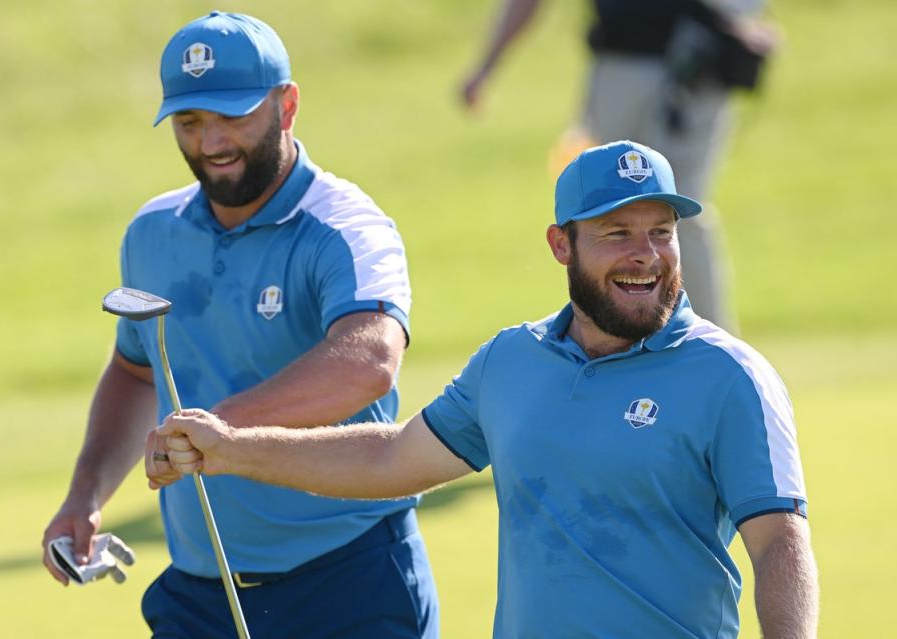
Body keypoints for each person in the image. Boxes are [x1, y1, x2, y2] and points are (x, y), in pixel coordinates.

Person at [149, 141, 820, 638]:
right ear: (562, 245)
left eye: (661, 233)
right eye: (617, 233)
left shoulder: (730, 376)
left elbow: (779, 544)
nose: (645, 253)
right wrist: (229, 448)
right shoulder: (511, 361)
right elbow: (389, 458)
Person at [41, 11, 438, 639]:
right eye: (190, 122)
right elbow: (134, 369)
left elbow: (367, 363)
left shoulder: (345, 227)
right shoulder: (151, 234)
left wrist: (217, 431)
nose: (211, 142)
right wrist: (84, 497)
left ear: (287, 105)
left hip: (349, 579)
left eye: (233, 116)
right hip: (202, 592)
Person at [459, 0, 780, 334]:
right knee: (604, 207)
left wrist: (742, 17)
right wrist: (487, 64)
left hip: (694, 60)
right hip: (619, 63)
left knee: (678, 206)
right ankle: (609, 335)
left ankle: (712, 348)